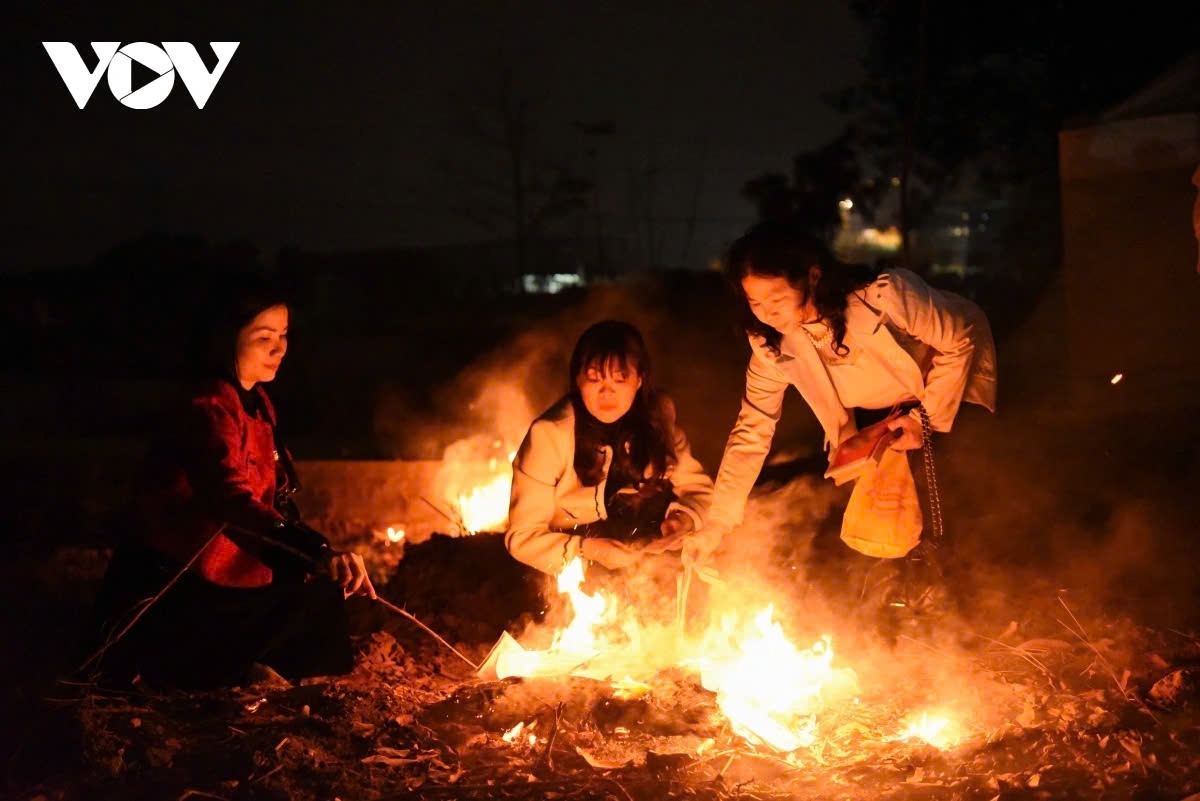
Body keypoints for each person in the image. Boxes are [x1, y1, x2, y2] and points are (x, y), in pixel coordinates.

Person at [86, 277, 376, 690]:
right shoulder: (207, 408)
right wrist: (314, 550)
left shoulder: (259, 404)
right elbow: (231, 501)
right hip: (179, 582)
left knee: (325, 600)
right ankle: (199, 668)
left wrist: (314, 560)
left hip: (237, 575)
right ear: (227, 339)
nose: (279, 349)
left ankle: (244, 665)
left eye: (283, 335)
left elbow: (274, 496)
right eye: (264, 337)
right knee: (298, 615)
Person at [684, 221, 997, 602]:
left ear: (812, 277)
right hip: (879, 412)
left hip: (946, 386)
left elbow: (961, 336)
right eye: (755, 303)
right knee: (882, 513)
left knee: (956, 505)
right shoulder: (771, 346)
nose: (767, 313)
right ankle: (904, 603)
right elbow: (752, 430)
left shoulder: (884, 298)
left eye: (776, 299)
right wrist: (717, 523)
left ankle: (975, 599)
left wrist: (922, 420)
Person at [505, 320, 713, 577]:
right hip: (567, 567)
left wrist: (683, 519)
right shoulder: (549, 435)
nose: (606, 392)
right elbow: (522, 537)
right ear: (578, 380)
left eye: (620, 379)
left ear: (639, 380)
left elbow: (700, 491)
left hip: (644, 561)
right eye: (594, 379)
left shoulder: (657, 421)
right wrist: (588, 550)